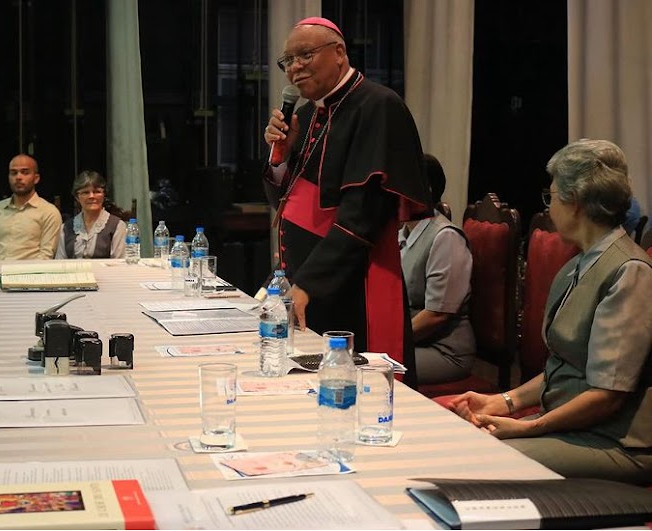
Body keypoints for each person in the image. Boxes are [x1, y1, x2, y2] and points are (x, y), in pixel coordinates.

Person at [451, 139, 652, 484]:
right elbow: (564, 366)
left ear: (575, 204)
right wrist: (504, 401)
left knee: (479, 460)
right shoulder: (580, 263)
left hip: (615, 442)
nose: (549, 205)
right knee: (460, 442)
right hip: (572, 426)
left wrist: (528, 427)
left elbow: (608, 396)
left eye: (552, 196)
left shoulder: (629, 271)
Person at [262, 17, 430, 371]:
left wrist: (309, 284)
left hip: (356, 283)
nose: (294, 67)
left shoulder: (378, 106)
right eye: (288, 60)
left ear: (339, 52)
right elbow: (288, 201)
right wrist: (281, 156)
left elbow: (363, 214)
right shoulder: (307, 116)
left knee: (356, 392)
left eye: (304, 54)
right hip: (311, 281)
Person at [400, 155, 475, 385]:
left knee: (371, 369)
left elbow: (437, 315)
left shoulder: (446, 237)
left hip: (445, 351)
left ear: (425, 190)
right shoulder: (402, 233)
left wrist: (390, 339)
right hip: (415, 344)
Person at [0, 154, 62, 276]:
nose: (18, 177)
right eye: (13, 173)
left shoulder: (49, 212)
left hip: (29, 280)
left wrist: (21, 279)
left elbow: (46, 255)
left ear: (36, 178)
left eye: (25, 172)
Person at [55, 170, 126, 259]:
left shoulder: (118, 226)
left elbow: (119, 264)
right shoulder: (66, 228)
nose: (91, 196)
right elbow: (60, 262)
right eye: (85, 192)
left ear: (104, 195)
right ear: (77, 197)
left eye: (97, 192)